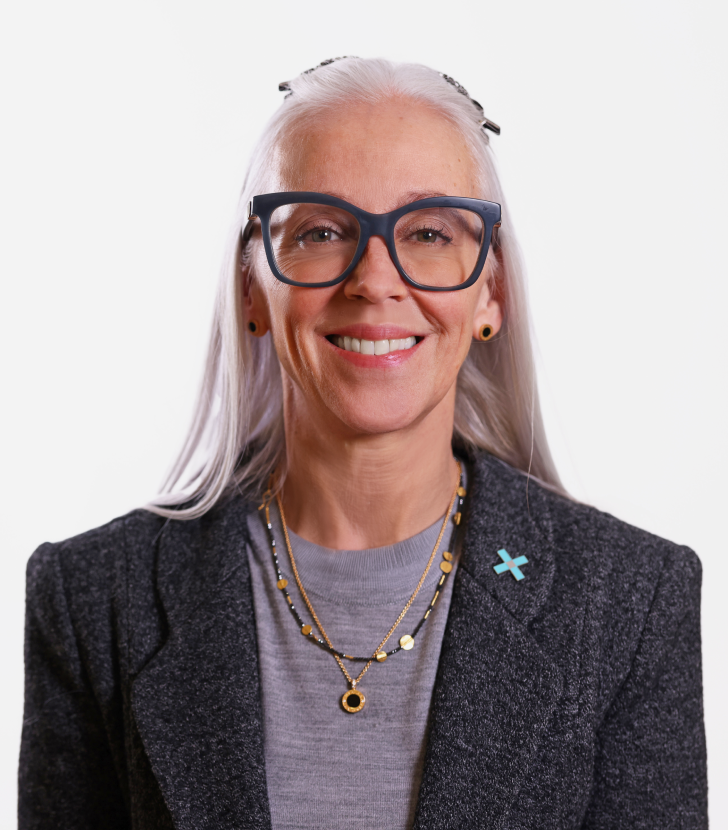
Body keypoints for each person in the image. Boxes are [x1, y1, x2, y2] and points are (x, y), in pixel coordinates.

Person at [18, 57, 708, 829]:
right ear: (251, 286)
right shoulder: (93, 600)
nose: (375, 280)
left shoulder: (630, 602)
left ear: (491, 291)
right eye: (319, 230)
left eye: (429, 232)